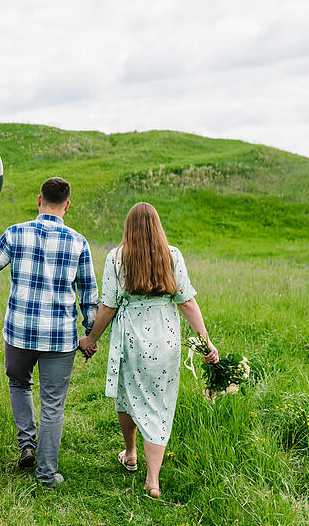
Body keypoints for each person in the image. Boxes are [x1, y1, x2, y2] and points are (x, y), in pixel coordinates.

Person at [0, 176, 99, 488]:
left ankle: (26, 444)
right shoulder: (78, 242)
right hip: (60, 339)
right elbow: (89, 295)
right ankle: (46, 474)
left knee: (19, 384)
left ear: (39, 200)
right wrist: (89, 335)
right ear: (67, 206)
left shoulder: (16, 233)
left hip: (19, 334)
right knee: (53, 404)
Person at [78, 202, 218, 499]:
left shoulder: (117, 259)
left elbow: (108, 307)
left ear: (128, 228)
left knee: (126, 394)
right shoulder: (172, 256)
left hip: (131, 339)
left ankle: (130, 453)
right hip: (165, 340)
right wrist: (206, 341)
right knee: (160, 404)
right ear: (157, 227)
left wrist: (91, 339)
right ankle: (152, 480)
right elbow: (187, 302)